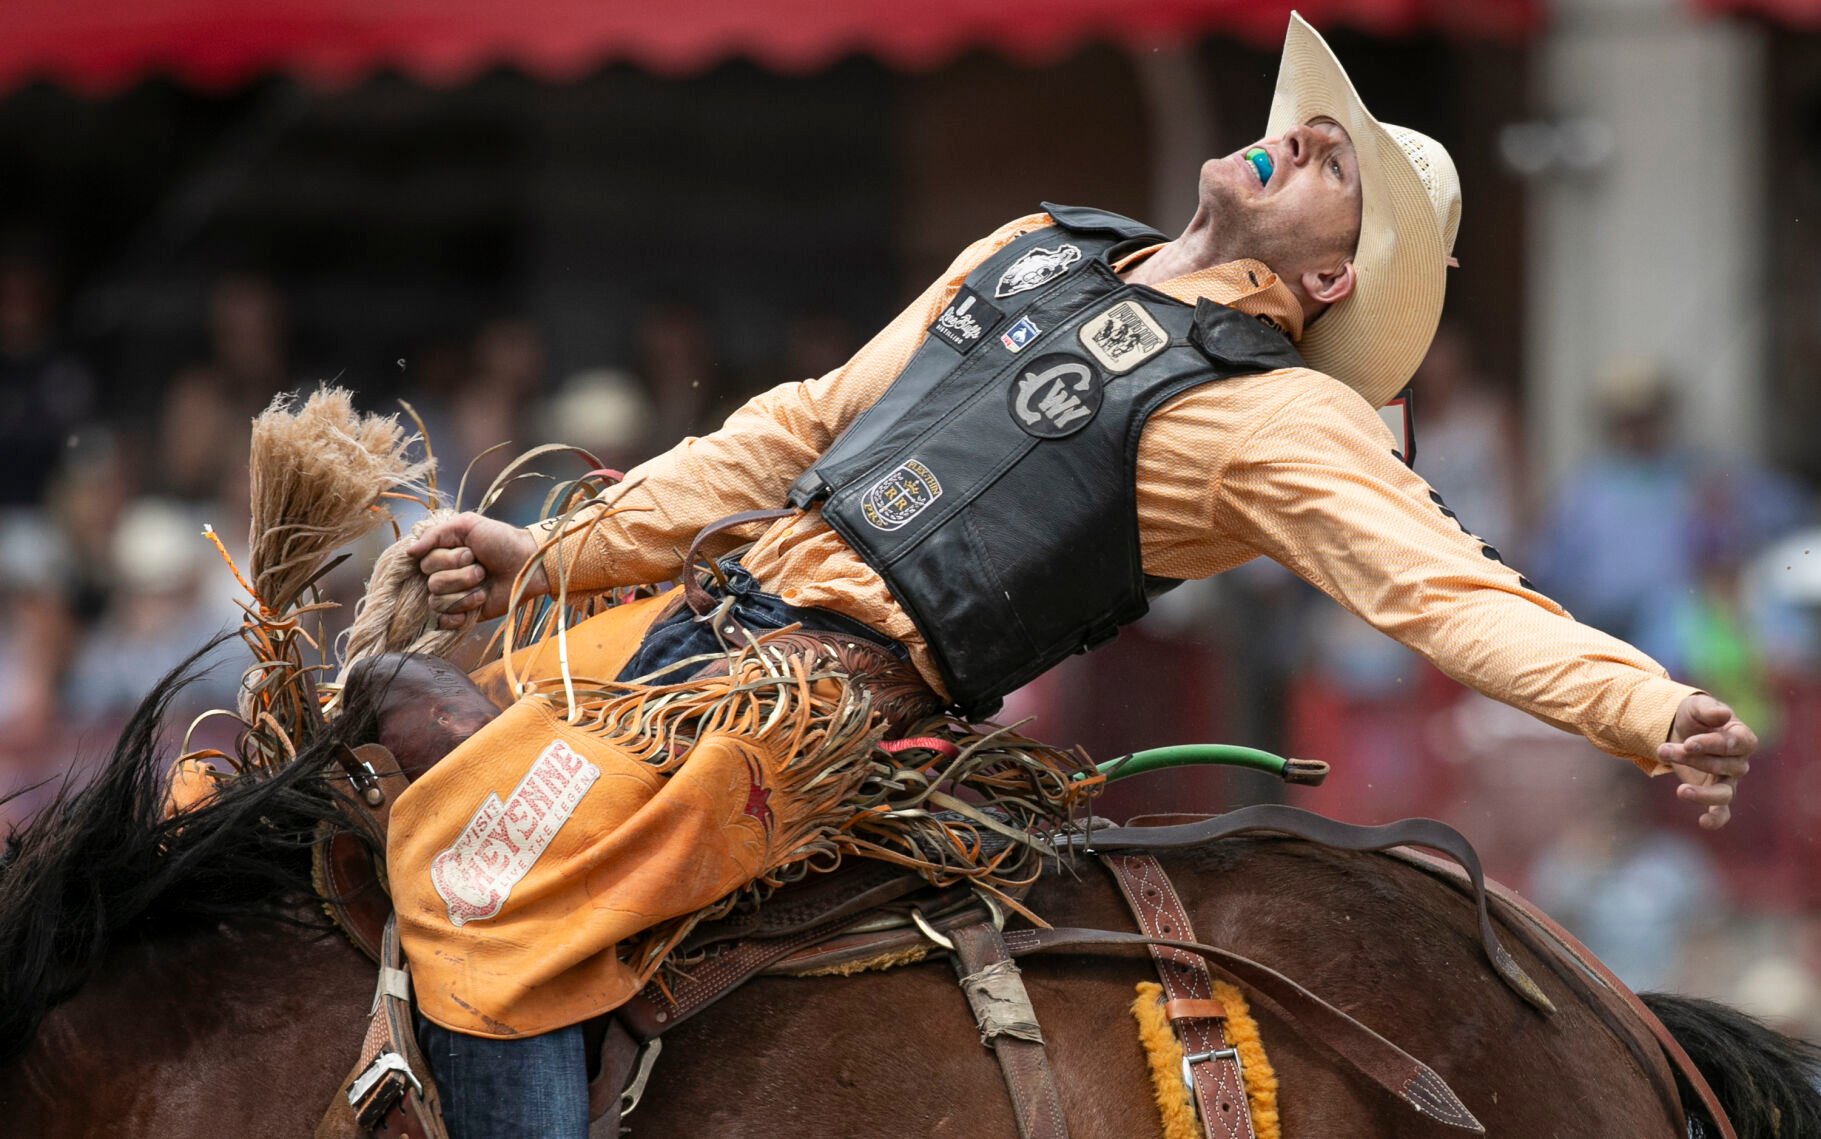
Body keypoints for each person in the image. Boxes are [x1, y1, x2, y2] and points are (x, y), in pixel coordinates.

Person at [399, 16, 1758, 1137]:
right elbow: (802, 425)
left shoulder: (1276, 418)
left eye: (1327, 160)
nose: (1287, 136)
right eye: (1301, 127)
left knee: (488, 888)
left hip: (800, 722)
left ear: (1334, 272)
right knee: (342, 763)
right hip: (680, 635)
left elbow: (1444, 594)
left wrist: (1644, 709)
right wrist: (557, 552)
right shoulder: (1030, 245)